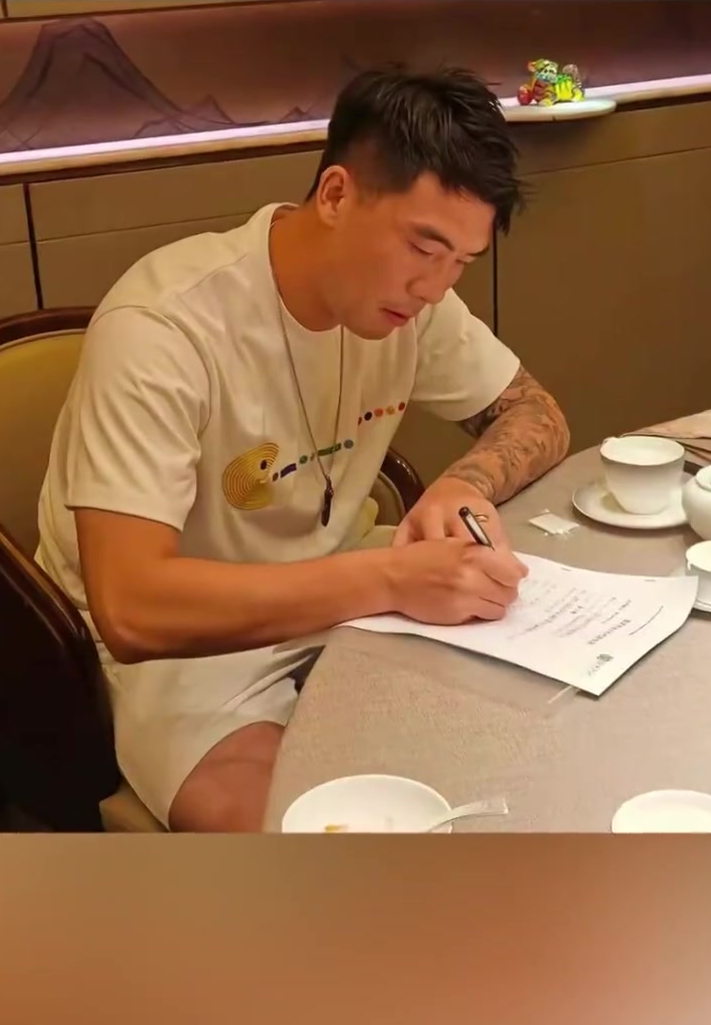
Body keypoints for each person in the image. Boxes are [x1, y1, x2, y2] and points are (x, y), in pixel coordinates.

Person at [36, 66, 570, 833]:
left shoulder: (413, 303)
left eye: (460, 261)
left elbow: (534, 412)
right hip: (188, 649)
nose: (433, 287)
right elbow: (133, 606)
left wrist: (465, 484)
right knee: (313, 838)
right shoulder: (164, 328)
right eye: (423, 247)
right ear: (337, 195)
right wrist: (387, 577)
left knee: (526, 751)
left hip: (349, 593)